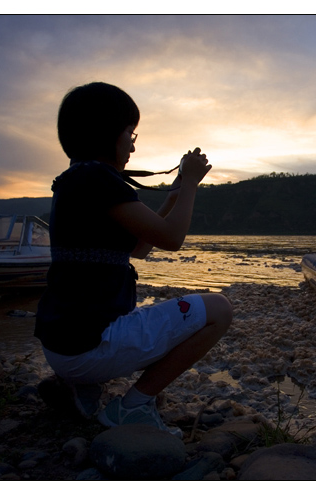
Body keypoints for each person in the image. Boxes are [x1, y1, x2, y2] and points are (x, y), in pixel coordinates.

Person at [34, 82, 233, 437]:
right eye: (130, 132)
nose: (133, 143)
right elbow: (172, 239)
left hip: (64, 347)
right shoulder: (98, 179)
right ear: (105, 132)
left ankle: (83, 387)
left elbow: (138, 249)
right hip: (90, 346)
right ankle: (132, 407)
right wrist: (189, 184)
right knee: (219, 310)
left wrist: (172, 197)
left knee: (169, 315)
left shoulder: (77, 180)